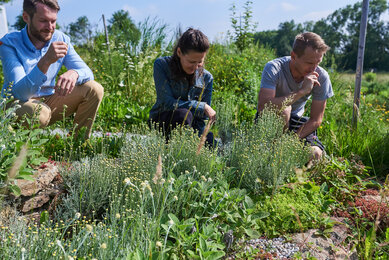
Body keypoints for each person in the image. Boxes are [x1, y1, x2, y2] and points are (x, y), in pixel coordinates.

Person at [0, 0, 103, 139]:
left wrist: (74, 73)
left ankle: (78, 145)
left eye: (53, 21)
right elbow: (20, 93)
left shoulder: (60, 38)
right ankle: (19, 146)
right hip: (16, 105)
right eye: (43, 21)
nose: (50, 27)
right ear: (26, 17)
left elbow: (87, 72)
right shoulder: (9, 44)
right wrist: (45, 61)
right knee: (39, 112)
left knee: (94, 89)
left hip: (48, 102)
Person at [257, 32, 334, 160]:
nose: (314, 68)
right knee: (285, 109)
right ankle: (273, 154)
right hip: (270, 119)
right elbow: (262, 106)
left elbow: (316, 120)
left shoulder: (322, 76)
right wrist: (301, 92)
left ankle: (292, 167)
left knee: (314, 154)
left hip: (298, 123)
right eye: (309, 63)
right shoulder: (274, 68)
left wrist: (290, 142)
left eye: (318, 62)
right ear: (293, 56)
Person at [149, 28, 216, 146]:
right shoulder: (162, 65)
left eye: (199, 62)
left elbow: (201, 119)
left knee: (210, 142)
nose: (196, 67)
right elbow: (167, 102)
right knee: (184, 115)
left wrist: (200, 141)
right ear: (179, 52)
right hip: (163, 120)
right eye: (191, 62)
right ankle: (169, 150)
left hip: (191, 127)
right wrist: (202, 106)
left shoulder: (207, 78)